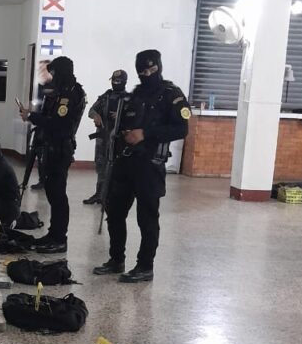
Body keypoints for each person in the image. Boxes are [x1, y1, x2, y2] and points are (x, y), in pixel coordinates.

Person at [93, 49, 190, 283]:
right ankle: (116, 259)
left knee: (146, 218)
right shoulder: (134, 95)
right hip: (125, 162)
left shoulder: (171, 95)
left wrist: (146, 133)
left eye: (152, 69)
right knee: (115, 212)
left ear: (159, 67)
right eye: (142, 71)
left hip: (150, 166)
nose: (147, 74)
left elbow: (181, 129)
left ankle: (145, 266)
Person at [19, 55, 86, 253]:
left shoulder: (71, 94)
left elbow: (58, 123)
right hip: (50, 146)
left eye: (54, 73)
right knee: (51, 192)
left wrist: (31, 116)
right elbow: (48, 116)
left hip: (60, 149)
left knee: (58, 195)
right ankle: (53, 234)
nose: (52, 77)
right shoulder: (59, 91)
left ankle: (59, 239)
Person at [83, 69, 129, 205]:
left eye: (118, 81)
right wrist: (96, 116)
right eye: (114, 81)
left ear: (124, 82)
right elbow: (91, 110)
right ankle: (99, 194)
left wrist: (121, 116)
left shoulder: (129, 99)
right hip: (103, 138)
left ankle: (111, 196)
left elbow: (135, 119)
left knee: (116, 168)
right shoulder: (106, 96)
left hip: (119, 140)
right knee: (101, 166)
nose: (115, 83)